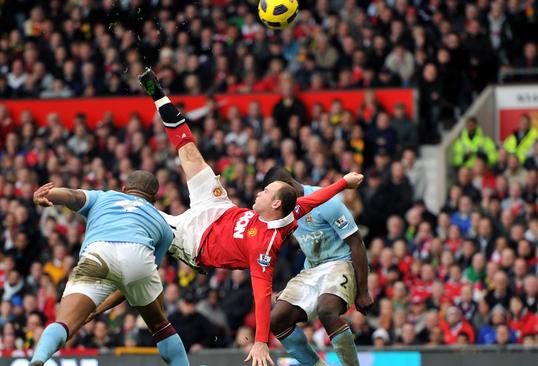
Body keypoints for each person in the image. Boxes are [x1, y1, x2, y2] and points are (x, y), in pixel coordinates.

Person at [91, 69, 363, 366]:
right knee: (190, 153)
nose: (258, 192)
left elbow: (262, 295)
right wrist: (343, 182)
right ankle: (158, 95)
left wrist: (260, 343)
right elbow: (315, 198)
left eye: (265, 190)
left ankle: (94, 298)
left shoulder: (264, 247)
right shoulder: (290, 211)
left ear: (274, 202)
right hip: (219, 209)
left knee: (138, 222)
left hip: (194, 240)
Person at [28, 170, 189, 366]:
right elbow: (131, 282)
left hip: (99, 252)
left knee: (64, 322)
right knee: (161, 326)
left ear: (123, 189)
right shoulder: (163, 225)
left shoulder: (104, 197)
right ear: (155, 198)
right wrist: (97, 311)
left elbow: (72, 195)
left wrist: (46, 195)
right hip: (138, 255)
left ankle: (38, 359)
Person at [263, 167, 373, 366]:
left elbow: (356, 242)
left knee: (327, 310)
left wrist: (363, 290)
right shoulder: (284, 211)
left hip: (341, 263)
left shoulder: (325, 201)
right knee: (276, 320)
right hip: (312, 269)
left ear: (287, 185)